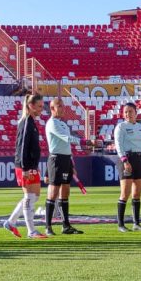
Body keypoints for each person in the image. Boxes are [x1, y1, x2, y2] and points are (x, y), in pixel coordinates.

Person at [5, 94, 46, 239]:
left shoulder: (31, 122)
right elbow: (21, 147)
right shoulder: (26, 122)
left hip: (31, 165)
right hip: (25, 166)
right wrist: (24, 169)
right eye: (40, 106)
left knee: (34, 196)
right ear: (31, 106)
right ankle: (31, 231)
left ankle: (11, 221)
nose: (42, 109)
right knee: (29, 196)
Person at [44, 96, 82, 235]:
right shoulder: (52, 123)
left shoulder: (63, 124)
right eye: (59, 105)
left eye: (62, 105)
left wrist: (72, 164)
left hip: (66, 159)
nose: (62, 107)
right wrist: (84, 142)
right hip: (56, 159)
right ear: (52, 108)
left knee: (65, 192)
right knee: (53, 192)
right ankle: (48, 226)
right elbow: (67, 138)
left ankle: (66, 226)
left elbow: (67, 146)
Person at [113, 102, 141, 232]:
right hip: (126, 159)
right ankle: (121, 225)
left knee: (137, 194)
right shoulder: (120, 127)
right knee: (125, 193)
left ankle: (136, 223)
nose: (128, 114)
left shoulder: (140, 127)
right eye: (125, 112)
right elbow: (118, 144)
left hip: (139, 159)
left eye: (130, 111)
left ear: (136, 113)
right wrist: (124, 161)